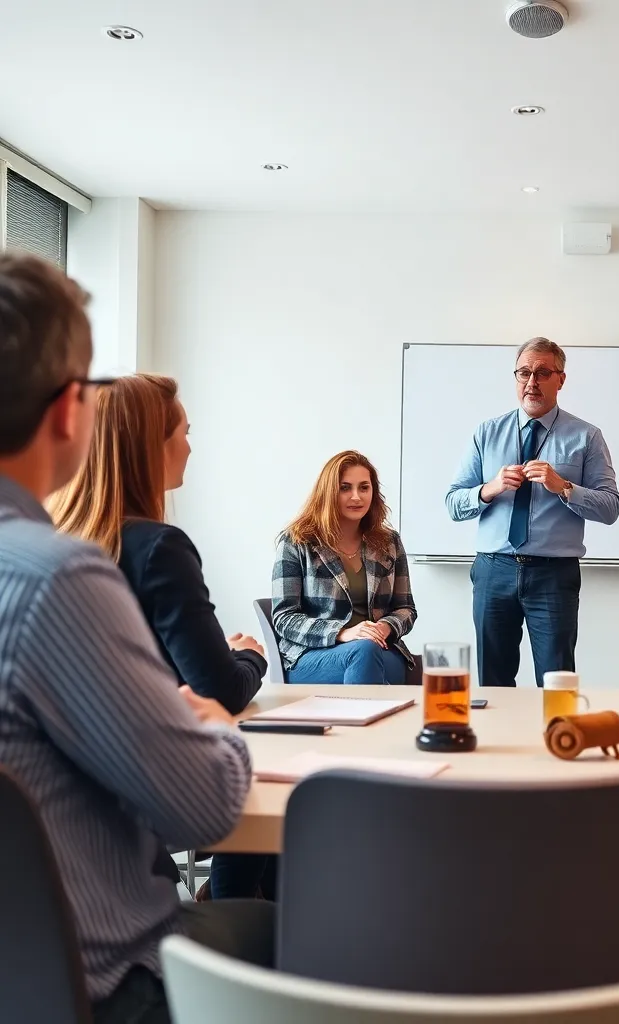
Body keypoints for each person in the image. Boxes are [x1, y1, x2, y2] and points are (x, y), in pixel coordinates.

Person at [0, 253, 273, 1024]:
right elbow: (201, 809)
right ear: (67, 410)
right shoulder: (55, 578)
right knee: (327, 933)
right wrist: (214, 730)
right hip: (101, 983)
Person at [50, 373, 267, 715]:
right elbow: (220, 692)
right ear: (154, 446)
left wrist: (219, 655)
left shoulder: (49, 542)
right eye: (186, 432)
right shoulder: (161, 550)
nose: (190, 447)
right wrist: (251, 656)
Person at [446, 338, 619, 686]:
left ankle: (555, 741)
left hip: (553, 576)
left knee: (556, 683)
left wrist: (565, 487)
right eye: (524, 372)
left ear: (561, 379)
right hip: (493, 570)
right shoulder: (486, 433)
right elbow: (453, 503)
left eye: (542, 373)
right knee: (494, 682)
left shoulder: (586, 437)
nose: (531, 382)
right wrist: (489, 489)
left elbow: (610, 507)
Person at [273, 450, 417, 683]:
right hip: (312, 656)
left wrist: (384, 627)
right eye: (345, 488)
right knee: (364, 653)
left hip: (379, 649)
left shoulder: (389, 542)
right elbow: (284, 618)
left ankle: (357, 714)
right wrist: (343, 633)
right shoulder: (296, 542)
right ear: (328, 492)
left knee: (368, 653)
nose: (356, 497)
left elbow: (406, 608)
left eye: (364, 487)